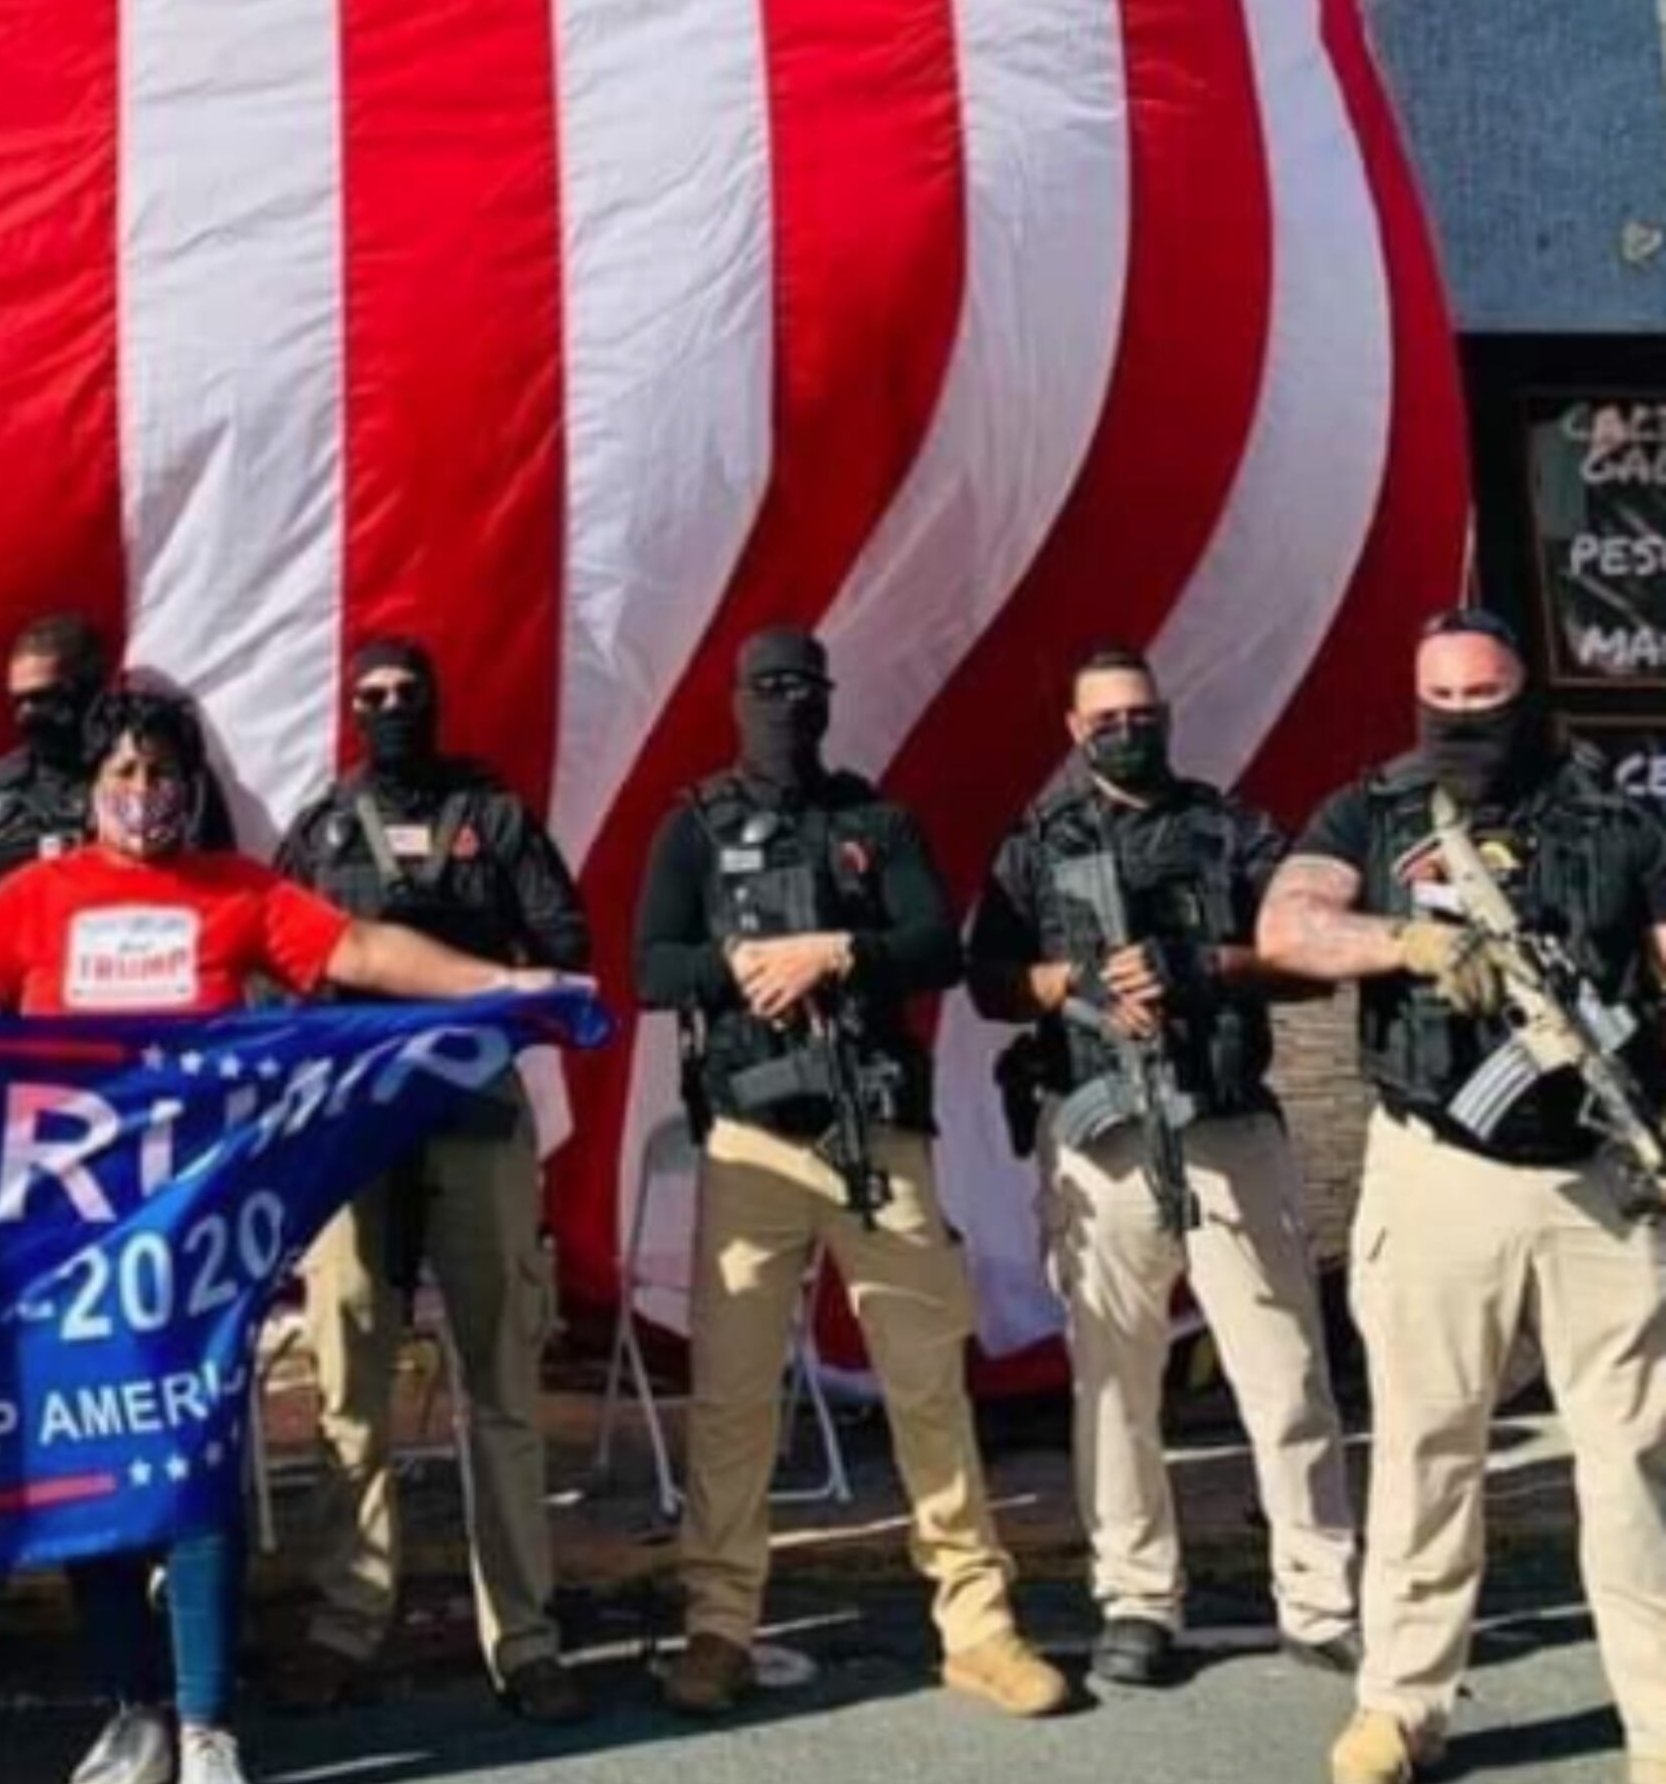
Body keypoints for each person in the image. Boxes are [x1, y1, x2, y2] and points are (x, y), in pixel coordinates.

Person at [0, 681, 573, 1784]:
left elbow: (360, 947)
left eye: (162, 773)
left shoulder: (239, 890)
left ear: (192, 783)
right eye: (121, 774)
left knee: (190, 1471)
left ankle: (209, 1723)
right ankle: (133, 1709)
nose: (143, 794)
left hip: (200, 1247)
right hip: (73, 1246)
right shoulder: (36, 893)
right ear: (91, 787)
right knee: (98, 1482)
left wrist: (496, 984)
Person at [1257, 608, 1666, 1784]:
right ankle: (1400, 1702)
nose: (1462, 718)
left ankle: (1655, 1709)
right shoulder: (1373, 812)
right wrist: (1404, 944)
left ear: (1525, 692)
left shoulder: (1616, 817)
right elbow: (1287, 925)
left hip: (1597, 1175)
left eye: (1484, 696)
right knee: (1430, 1444)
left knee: (1631, 1455)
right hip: (1436, 1168)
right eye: (1441, 696)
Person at [634, 627, 1069, 1721]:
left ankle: (976, 1624)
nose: (788, 705)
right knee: (734, 1400)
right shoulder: (693, 826)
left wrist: (834, 953)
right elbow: (649, 965)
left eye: (804, 688)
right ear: (738, 698)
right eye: (768, 687)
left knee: (926, 1383)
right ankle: (719, 1624)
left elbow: (936, 945)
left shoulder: (876, 821)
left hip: (879, 1141)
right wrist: (742, 969)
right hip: (750, 1140)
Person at [966, 644, 1357, 1688]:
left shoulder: (1230, 829)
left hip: (1224, 1119)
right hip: (1101, 1136)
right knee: (1112, 1380)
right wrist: (1078, 982)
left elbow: (1308, 961)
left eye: (1141, 711)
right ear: (1073, 728)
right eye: (1105, 716)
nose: (1127, 730)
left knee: (1281, 1370)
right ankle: (1137, 1597)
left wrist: (1202, 966)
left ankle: (1319, 1594)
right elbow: (988, 980)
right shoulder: (1037, 845)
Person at [269, 637, 589, 1723]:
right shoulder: (317, 831)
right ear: (349, 708)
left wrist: (457, 960)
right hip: (357, 1128)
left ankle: (526, 1638)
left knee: (501, 1382)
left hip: (475, 1117)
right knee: (349, 1386)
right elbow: (274, 961)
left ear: (435, 699)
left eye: (408, 692)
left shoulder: (492, 819)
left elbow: (563, 937)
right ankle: (345, 1620)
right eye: (372, 697)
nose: (391, 708)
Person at [0, 614, 235, 958]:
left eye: (46, 698)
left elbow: (224, 898)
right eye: (19, 701)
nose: (29, 713)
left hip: (138, 978)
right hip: (19, 994)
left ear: (94, 690)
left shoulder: (163, 779)